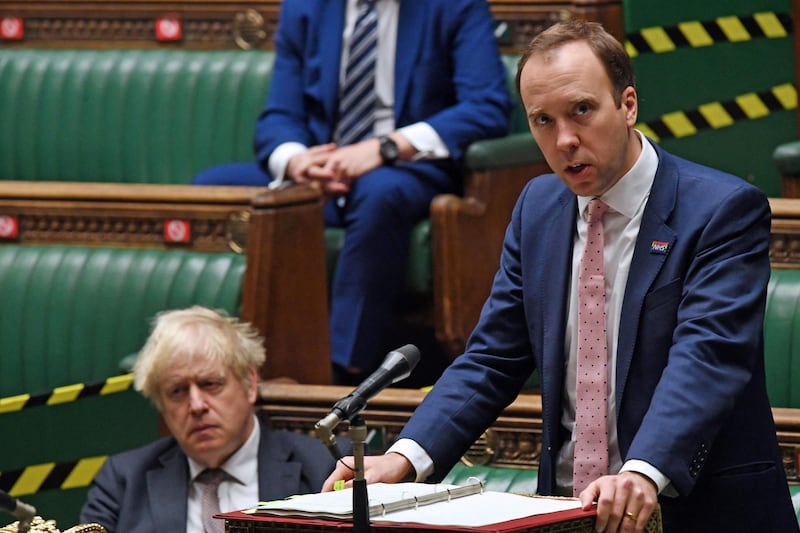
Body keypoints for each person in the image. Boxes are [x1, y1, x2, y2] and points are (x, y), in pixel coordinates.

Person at [322, 19, 800, 533]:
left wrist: (641, 472)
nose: (565, 139)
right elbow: (491, 358)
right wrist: (406, 458)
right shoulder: (538, 207)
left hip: (699, 513)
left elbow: (707, 358)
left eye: (582, 111)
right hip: (565, 514)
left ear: (629, 105)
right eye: (542, 121)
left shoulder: (720, 210)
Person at [191, 0, 512, 384]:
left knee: (378, 193)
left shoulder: (453, 6)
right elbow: (280, 114)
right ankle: (212, 368)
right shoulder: (307, 9)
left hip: (406, 170)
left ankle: (340, 377)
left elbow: (487, 106)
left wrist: (384, 148)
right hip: (325, 173)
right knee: (212, 188)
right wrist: (297, 161)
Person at [80, 306, 344, 533]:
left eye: (210, 384)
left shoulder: (327, 466)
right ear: (161, 405)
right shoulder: (123, 480)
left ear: (250, 384)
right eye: (177, 391)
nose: (196, 406)